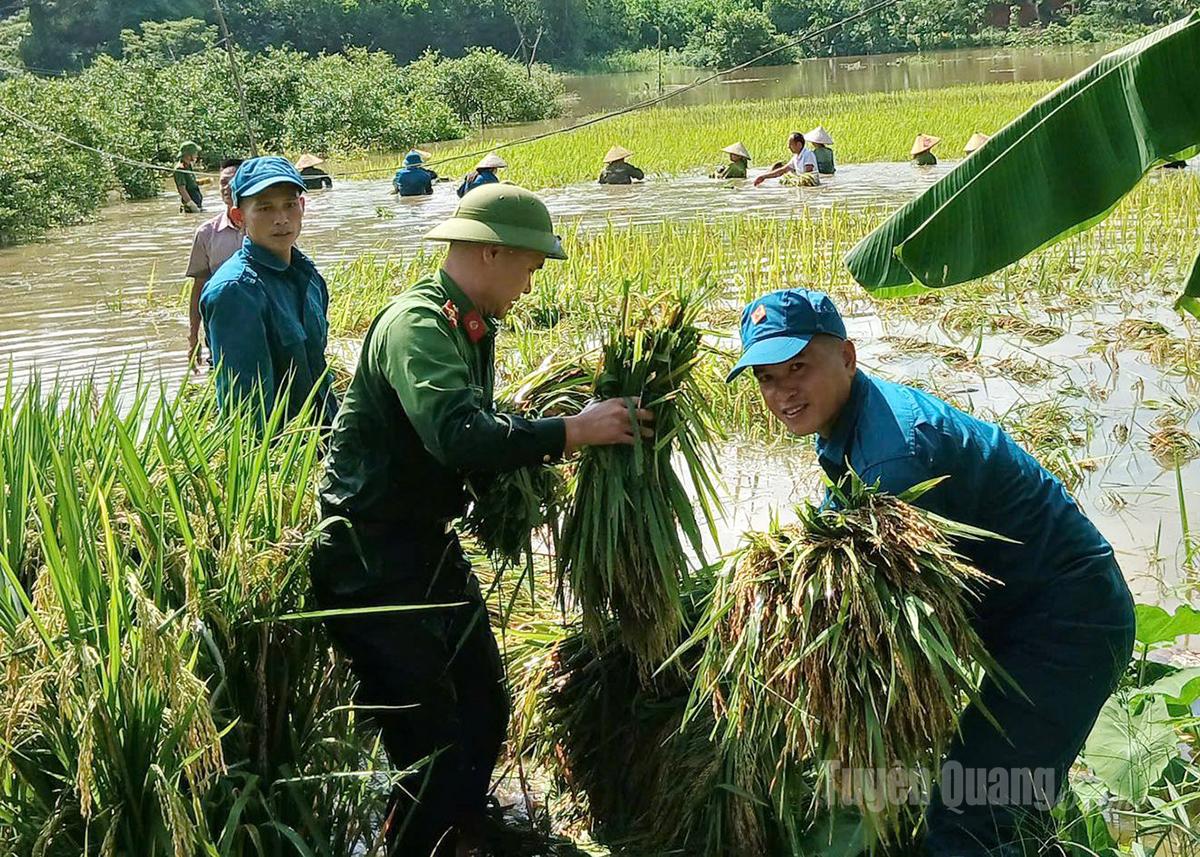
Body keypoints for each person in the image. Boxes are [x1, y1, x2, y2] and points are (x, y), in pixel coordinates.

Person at [726, 288, 1135, 857]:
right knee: (1002, 795)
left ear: (847, 356)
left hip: (1066, 626)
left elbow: (887, 619)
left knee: (971, 815)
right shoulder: (853, 419)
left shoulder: (896, 457)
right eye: (766, 377)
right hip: (1020, 620)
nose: (782, 391)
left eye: (798, 366)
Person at [311, 183, 654, 857]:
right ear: (493, 253)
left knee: (485, 704)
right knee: (429, 742)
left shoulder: (469, 325)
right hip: (369, 561)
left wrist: (547, 433)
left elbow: (477, 429)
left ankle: (463, 830)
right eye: (530, 266)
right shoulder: (419, 323)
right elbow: (459, 434)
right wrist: (570, 432)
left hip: (424, 546)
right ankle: (418, 841)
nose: (531, 284)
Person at [199, 156, 337, 425]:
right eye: (265, 209)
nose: (281, 219)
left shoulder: (309, 277)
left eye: (289, 205)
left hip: (325, 439)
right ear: (239, 217)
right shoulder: (236, 291)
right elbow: (246, 412)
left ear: (302, 206)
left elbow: (319, 373)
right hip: (285, 456)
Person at [186, 157, 245, 368]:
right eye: (222, 182)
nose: (227, 187)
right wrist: (193, 337)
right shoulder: (206, 233)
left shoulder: (267, 226)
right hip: (220, 321)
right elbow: (199, 287)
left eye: (233, 181)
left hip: (262, 317)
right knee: (222, 375)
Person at [753, 132, 820, 187]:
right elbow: (783, 170)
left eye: (791, 145)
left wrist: (796, 179)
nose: (788, 147)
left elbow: (808, 173)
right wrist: (763, 177)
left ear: (799, 144)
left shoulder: (808, 154)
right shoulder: (795, 157)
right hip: (802, 182)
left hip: (811, 184)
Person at [174, 141, 204, 213]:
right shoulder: (180, 169)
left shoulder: (188, 166)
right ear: (188, 155)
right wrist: (191, 204)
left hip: (197, 203)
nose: (196, 155)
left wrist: (204, 181)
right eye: (195, 153)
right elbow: (182, 189)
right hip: (190, 207)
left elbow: (191, 183)